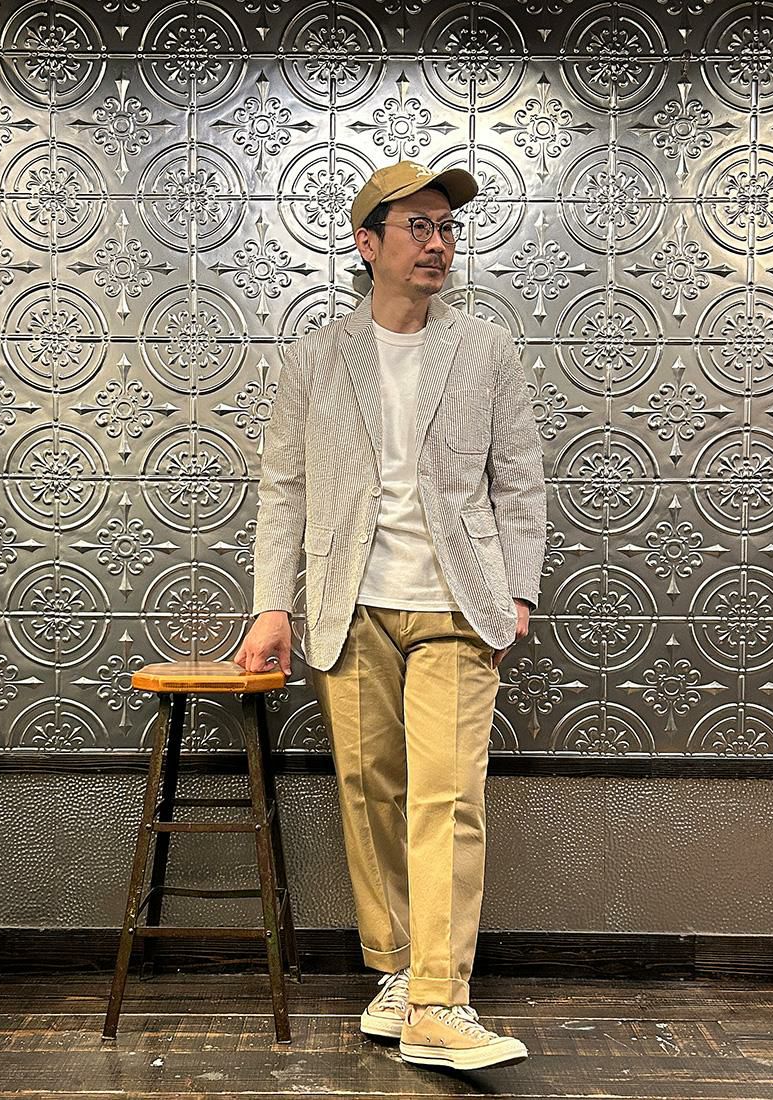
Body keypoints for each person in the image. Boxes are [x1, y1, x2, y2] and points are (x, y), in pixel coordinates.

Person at [234, 160, 547, 1071]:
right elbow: (284, 489)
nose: (438, 243)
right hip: (350, 606)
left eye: (447, 228)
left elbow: (520, 479)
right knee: (370, 793)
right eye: (418, 227)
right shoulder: (316, 357)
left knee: (448, 798)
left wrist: (517, 591)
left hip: (455, 603)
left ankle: (442, 999)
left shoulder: (485, 349)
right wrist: (272, 605)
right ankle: (400, 974)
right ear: (367, 243)